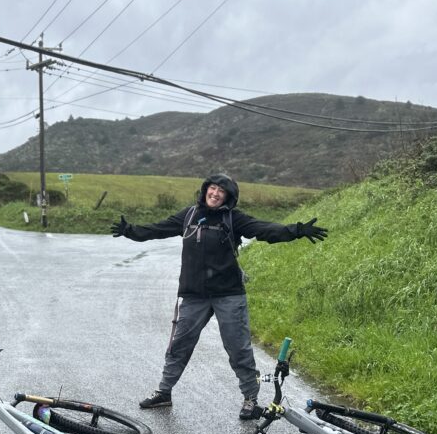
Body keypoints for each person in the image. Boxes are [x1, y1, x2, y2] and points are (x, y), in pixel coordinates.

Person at [110, 173, 327, 419]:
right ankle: (164, 392)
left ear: (228, 197)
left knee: (238, 348)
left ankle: (250, 399)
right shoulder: (189, 215)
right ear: (205, 191)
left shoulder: (233, 218)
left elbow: (264, 229)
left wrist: (296, 230)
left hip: (228, 294)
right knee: (179, 345)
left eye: (220, 191)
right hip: (194, 295)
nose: (214, 194)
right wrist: (130, 231)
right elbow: (157, 229)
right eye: (212, 189)